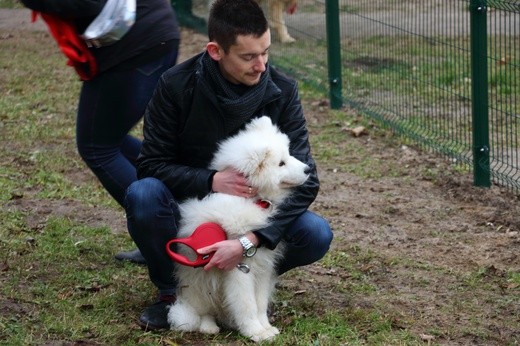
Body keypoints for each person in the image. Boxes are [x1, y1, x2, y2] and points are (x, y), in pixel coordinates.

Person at [124, 0, 333, 331]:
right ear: (215, 51)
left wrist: (248, 241)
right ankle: (171, 292)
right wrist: (211, 180)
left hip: (254, 215)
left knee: (315, 233)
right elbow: (150, 165)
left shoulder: (283, 91)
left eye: (265, 52)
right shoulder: (176, 85)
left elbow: (306, 180)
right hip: (192, 208)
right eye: (249, 56)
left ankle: (243, 281)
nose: (261, 65)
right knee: (143, 195)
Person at [19, 0, 181, 264]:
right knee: (109, 139)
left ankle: (168, 233)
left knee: (98, 146)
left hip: (135, 43)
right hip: (153, 34)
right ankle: (181, 201)